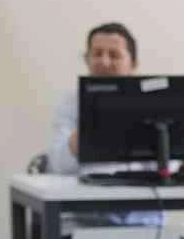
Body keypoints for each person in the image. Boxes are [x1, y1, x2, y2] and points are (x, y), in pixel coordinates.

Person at [47, 22, 140, 175]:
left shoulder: (153, 100)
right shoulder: (70, 101)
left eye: (114, 55)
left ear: (133, 63)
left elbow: (171, 166)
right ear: (86, 59)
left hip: (142, 187)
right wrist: (88, 127)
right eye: (97, 54)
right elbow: (57, 165)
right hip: (84, 186)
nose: (104, 62)